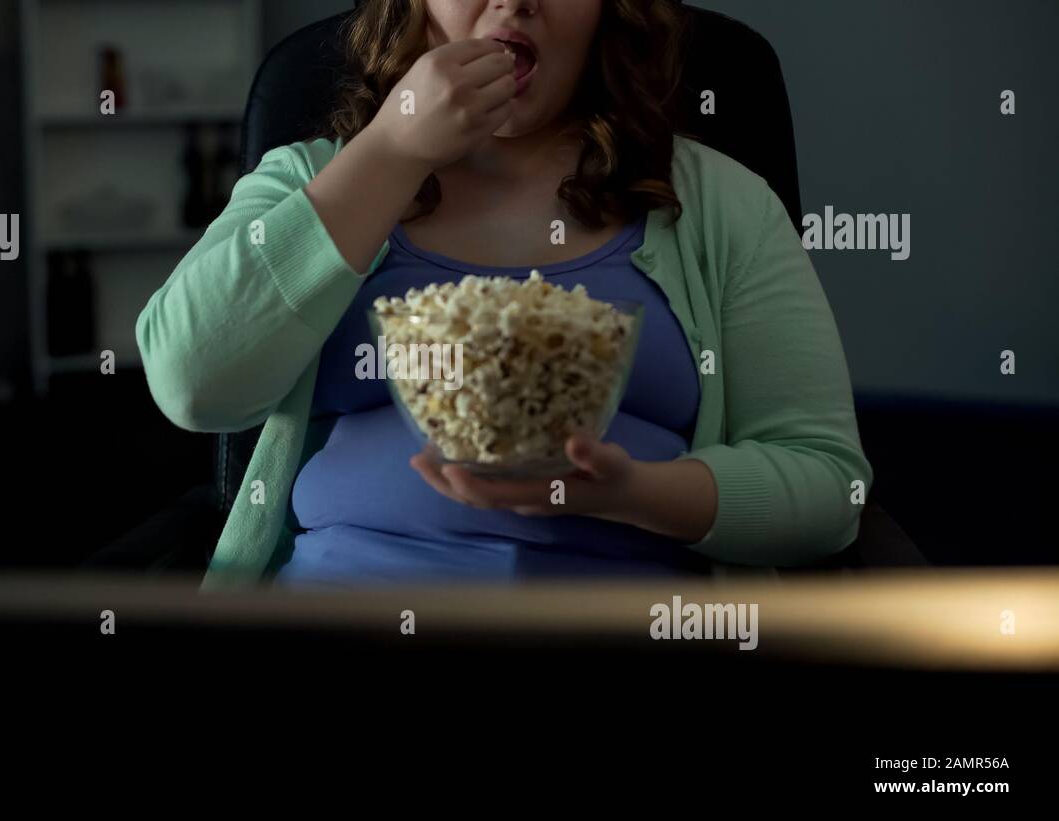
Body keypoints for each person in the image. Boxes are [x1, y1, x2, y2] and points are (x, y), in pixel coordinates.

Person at [136, 0, 873, 589]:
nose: (516, 4)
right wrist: (390, 149)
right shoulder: (311, 176)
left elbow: (829, 486)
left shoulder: (722, 205)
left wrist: (633, 492)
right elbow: (190, 383)